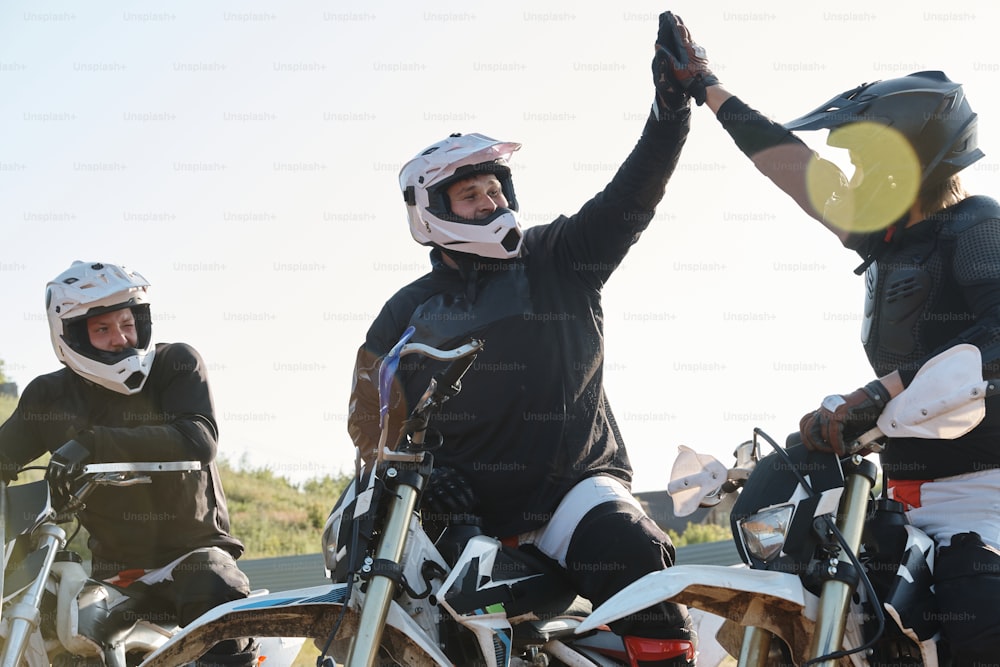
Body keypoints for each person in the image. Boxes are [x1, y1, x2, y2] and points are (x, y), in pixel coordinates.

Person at [346, 13, 702, 667]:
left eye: (494, 188)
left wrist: (671, 109)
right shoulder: (404, 313)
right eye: (471, 194)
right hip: (460, 516)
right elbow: (367, 417)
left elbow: (633, 196)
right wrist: (424, 476)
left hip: (573, 494)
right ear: (430, 211)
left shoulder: (557, 258)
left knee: (634, 550)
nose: (490, 201)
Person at [653, 14, 1000, 665]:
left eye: (867, 159)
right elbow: (789, 165)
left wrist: (883, 389)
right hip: (896, 496)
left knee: (977, 617)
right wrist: (706, 86)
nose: (852, 172)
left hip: (983, 501)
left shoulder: (977, 224)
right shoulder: (889, 239)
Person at [0, 261, 257, 667]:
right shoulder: (48, 398)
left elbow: (198, 440)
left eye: (127, 322)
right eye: (103, 329)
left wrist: (92, 445)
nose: (121, 338)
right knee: (59, 631)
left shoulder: (176, 364)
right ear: (70, 337)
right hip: (116, 574)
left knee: (215, 595)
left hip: (193, 554)